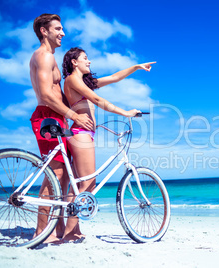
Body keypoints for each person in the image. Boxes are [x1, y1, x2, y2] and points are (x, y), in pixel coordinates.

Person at [62, 47, 155, 241]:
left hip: (84, 134)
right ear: (74, 62)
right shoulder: (72, 79)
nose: (89, 62)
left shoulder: (84, 82)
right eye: (85, 58)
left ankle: (73, 230)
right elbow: (97, 99)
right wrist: (125, 112)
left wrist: (136, 67)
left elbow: (114, 77)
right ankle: (70, 233)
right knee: (88, 182)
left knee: (78, 186)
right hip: (81, 134)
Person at [29, 14, 93, 243]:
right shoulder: (44, 56)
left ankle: (58, 229)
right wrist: (74, 114)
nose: (63, 33)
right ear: (44, 31)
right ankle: (41, 232)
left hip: (59, 118)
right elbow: (46, 94)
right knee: (55, 174)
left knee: (65, 175)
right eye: (58, 28)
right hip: (48, 117)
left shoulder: (50, 58)